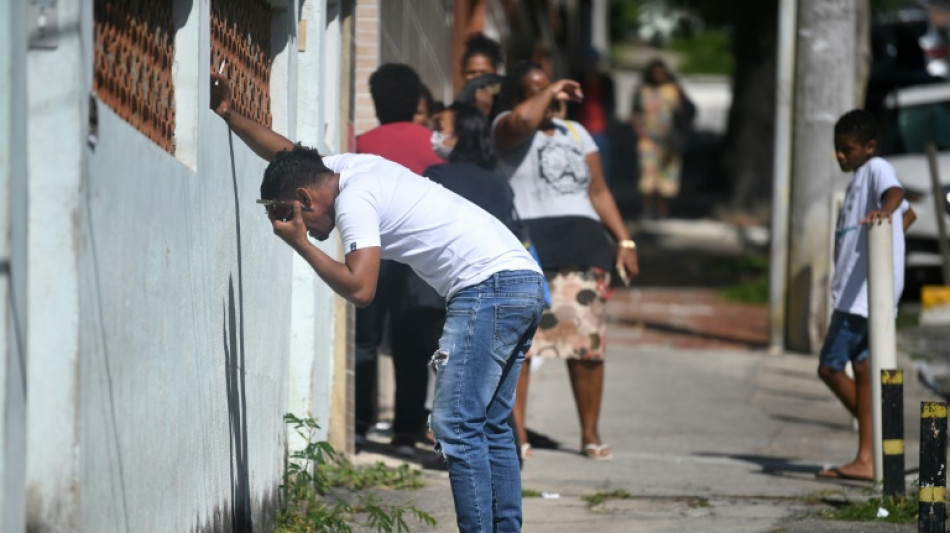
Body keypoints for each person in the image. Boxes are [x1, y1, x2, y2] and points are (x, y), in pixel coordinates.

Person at [211, 73, 544, 533]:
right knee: (487, 425)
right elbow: (288, 156)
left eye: (292, 212)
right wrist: (229, 115)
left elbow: (361, 290)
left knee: (457, 426)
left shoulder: (354, 198)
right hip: (522, 277)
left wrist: (301, 244)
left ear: (306, 198)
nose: (297, 221)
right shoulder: (347, 166)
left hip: (487, 287)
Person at [493, 61, 640, 461]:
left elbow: (599, 191)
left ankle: (589, 433)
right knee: (522, 350)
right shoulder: (506, 126)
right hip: (530, 248)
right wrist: (552, 87)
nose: (554, 99)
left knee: (586, 346)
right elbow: (524, 119)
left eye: (556, 92)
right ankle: (516, 433)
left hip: (582, 245)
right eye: (539, 90)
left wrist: (624, 240)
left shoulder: (577, 133)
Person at [816, 109, 911, 482]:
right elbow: (911, 214)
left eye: (848, 149)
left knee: (829, 365)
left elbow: (897, 195)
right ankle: (868, 457)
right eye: (837, 149)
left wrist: (883, 216)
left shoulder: (876, 170)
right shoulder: (859, 179)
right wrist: (894, 231)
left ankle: (878, 433)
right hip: (863, 295)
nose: (841, 155)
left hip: (861, 299)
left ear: (869, 147)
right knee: (864, 369)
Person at [354, 64, 444, 454]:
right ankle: (406, 432)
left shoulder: (358, 143)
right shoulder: (436, 145)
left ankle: (359, 422)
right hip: (418, 259)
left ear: (376, 103)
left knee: (365, 340)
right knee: (413, 344)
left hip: (370, 252)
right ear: (415, 102)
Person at [631, 59, 694, 219]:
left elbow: (688, 111)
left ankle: (662, 210)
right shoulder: (642, 90)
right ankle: (646, 209)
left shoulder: (673, 90)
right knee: (647, 175)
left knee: (667, 176)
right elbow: (634, 112)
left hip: (669, 140)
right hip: (648, 139)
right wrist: (637, 129)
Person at [460, 33, 504, 116]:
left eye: (484, 73)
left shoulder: (504, 101)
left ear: (495, 73)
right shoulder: (458, 106)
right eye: (471, 72)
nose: (478, 77)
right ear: (463, 74)